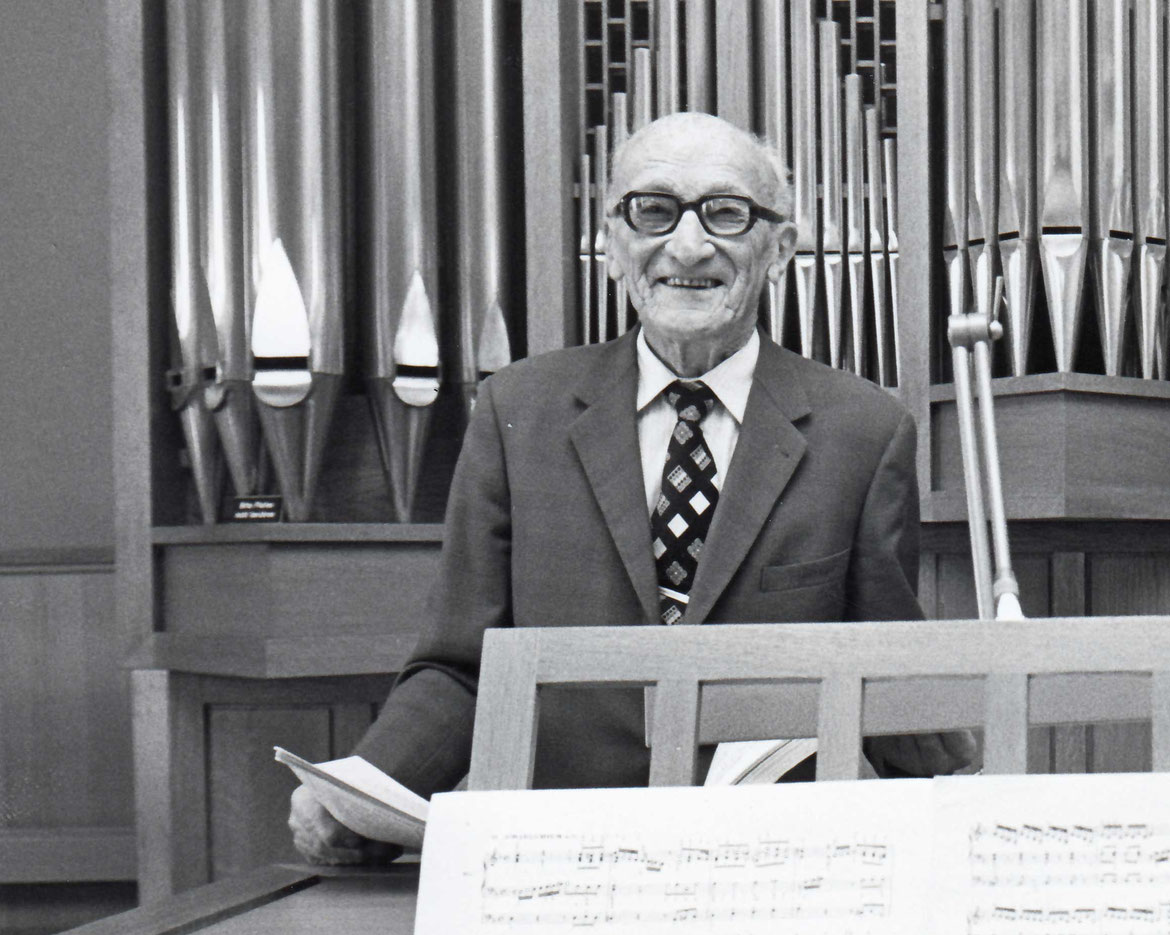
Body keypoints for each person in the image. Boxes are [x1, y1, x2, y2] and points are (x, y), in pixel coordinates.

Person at [292, 112, 965, 863]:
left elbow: (890, 679)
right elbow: (461, 667)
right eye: (653, 210)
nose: (687, 245)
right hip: (565, 868)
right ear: (612, 242)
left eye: (726, 212)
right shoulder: (519, 411)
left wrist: (981, 806)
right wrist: (359, 792)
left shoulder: (865, 433)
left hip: (773, 873)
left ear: (778, 248)